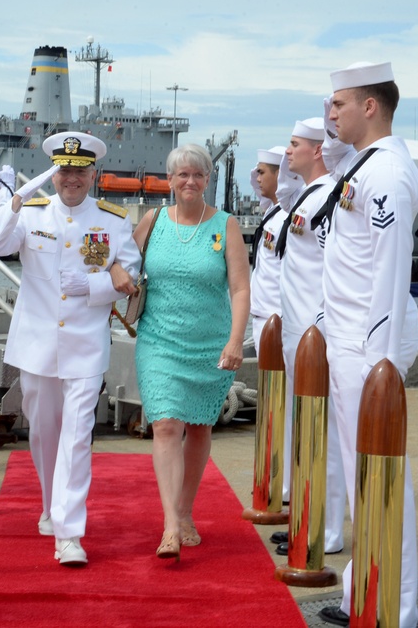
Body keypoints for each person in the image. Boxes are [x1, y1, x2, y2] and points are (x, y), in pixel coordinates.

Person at [0, 131, 140, 566]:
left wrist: (90, 284)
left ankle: (70, 533)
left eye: (80, 171)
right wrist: (14, 202)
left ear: (93, 174)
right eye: (64, 170)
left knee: (76, 437)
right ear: (53, 173)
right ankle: (51, 504)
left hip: (86, 345)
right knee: (46, 429)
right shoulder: (31, 213)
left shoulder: (113, 220)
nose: (72, 179)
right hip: (36, 344)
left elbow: (130, 278)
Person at [317, 62, 418, 627]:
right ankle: (366, 591)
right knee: (364, 479)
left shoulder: (388, 175)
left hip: (367, 349)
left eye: (339, 103)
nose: (331, 112)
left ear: (370, 107)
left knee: (381, 477)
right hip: (348, 343)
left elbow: (389, 272)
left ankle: (392, 607)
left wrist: (380, 362)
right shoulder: (366, 166)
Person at [132, 143, 251, 560]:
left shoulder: (226, 225)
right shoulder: (153, 220)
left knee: (199, 428)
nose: (190, 181)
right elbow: (125, 263)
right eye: (182, 174)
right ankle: (170, 526)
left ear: (207, 180)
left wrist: (236, 340)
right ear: (170, 180)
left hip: (210, 344)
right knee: (165, 425)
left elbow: (239, 289)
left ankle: (184, 512)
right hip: (159, 339)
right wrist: (113, 272)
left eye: (198, 175)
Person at [270, 118, 346, 558]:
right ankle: (306, 512)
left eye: (295, 145)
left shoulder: (328, 199)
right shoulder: (306, 197)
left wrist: (320, 325)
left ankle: (327, 527)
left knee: (326, 436)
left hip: (315, 333)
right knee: (305, 433)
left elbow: (331, 267)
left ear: (317, 150)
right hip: (297, 332)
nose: (287, 153)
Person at [249, 146, 289, 351]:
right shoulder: (272, 213)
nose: (257, 179)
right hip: (263, 316)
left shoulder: (286, 217)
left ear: (279, 174)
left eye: (262, 173)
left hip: (277, 318)